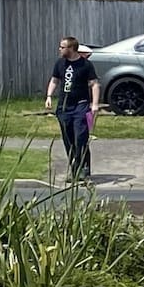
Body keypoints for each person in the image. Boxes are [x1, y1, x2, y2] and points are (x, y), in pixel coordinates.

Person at [44, 36, 101, 184]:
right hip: (64, 107)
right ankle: (75, 170)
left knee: (80, 138)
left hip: (81, 106)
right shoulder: (60, 63)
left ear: (71, 48)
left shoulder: (85, 65)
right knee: (68, 140)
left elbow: (94, 84)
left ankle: (85, 172)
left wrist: (94, 104)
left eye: (62, 47)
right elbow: (54, 80)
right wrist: (49, 96)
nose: (60, 49)